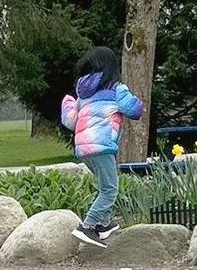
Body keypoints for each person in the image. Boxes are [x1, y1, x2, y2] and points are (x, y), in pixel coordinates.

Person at [61, 46, 145, 246]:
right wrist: (139, 102)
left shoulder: (84, 94)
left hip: (84, 149)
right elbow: (132, 109)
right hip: (101, 146)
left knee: (105, 184)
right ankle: (88, 226)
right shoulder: (116, 89)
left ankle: (103, 224)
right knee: (109, 189)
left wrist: (68, 104)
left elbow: (70, 122)